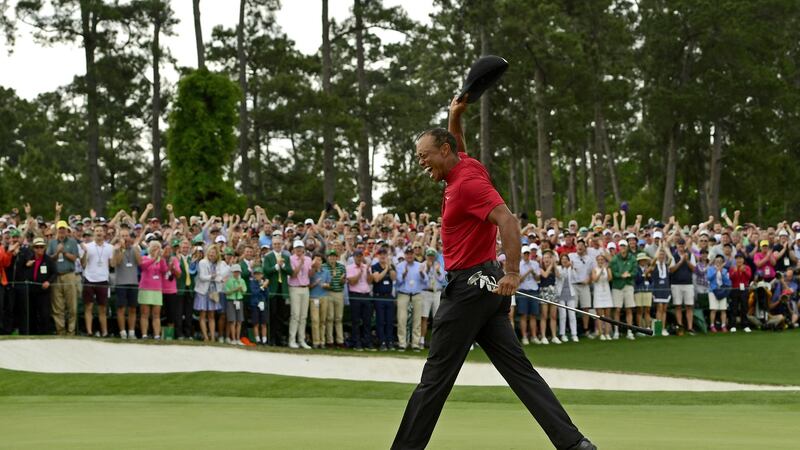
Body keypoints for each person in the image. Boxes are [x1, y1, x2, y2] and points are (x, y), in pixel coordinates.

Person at [393, 95, 592, 450]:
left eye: (425, 155)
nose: (421, 163)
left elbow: (508, 220)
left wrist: (513, 272)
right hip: (484, 287)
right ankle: (574, 444)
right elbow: (460, 146)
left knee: (435, 378)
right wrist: (455, 116)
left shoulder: (467, 184)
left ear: (443, 150)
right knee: (520, 372)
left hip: (469, 288)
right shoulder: (465, 167)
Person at [79, 225, 115, 337]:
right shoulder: (87, 246)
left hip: (103, 279)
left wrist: (118, 251)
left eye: (101, 231)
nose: (99, 232)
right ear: (94, 233)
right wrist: (85, 252)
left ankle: (104, 332)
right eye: (97, 231)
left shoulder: (109, 247)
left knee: (102, 308)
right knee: (88, 307)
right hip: (89, 278)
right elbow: (83, 264)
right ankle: (89, 331)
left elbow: (112, 264)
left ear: (104, 233)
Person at [46, 221, 80, 335]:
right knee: (57, 305)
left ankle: (71, 331)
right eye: (60, 229)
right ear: (57, 230)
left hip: (69, 275)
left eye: (63, 229)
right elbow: (49, 259)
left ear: (66, 230)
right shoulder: (52, 243)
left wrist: (64, 252)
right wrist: (57, 253)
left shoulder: (72, 242)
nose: (61, 231)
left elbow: (75, 258)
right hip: (56, 276)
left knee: (72, 305)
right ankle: (60, 331)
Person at [21, 237, 57, 334]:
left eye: (41, 247)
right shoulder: (29, 258)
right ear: (34, 248)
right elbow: (22, 271)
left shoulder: (48, 260)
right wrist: (26, 266)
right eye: (37, 247)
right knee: (31, 313)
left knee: (44, 313)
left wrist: (48, 282)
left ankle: (44, 333)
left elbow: (54, 273)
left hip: (43, 291)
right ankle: (32, 333)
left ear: (44, 248)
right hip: (31, 290)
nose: (39, 249)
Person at [395, 246, 427, 351]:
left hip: (417, 294)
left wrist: (422, 273)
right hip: (403, 293)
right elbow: (397, 283)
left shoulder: (420, 265)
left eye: (411, 253)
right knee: (402, 319)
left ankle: (415, 344)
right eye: (407, 254)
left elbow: (425, 281)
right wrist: (403, 275)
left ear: (414, 255)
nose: (409, 255)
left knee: (417, 319)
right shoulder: (400, 266)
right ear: (405, 255)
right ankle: (402, 343)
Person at [112, 229, 142, 339]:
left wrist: (135, 248)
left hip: (133, 282)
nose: (125, 238)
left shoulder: (134, 249)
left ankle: (131, 331)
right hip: (121, 283)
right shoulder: (116, 249)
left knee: (133, 308)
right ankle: (122, 332)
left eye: (127, 235)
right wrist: (121, 249)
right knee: (121, 308)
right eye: (122, 235)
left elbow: (140, 262)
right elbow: (115, 263)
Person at [263, 236, 292, 346]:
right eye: (275, 244)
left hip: (282, 288)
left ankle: (280, 339)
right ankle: (272, 338)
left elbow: (290, 271)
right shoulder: (268, 256)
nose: (277, 246)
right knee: (272, 314)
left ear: (282, 245)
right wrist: (276, 266)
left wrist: (283, 265)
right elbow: (265, 271)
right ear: (272, 245)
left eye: (279, 244)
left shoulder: (286, 256)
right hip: (273, 288)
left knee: (281, 314)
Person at [138, 240, 168, 339]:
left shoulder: (161, 260)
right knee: (144, 313)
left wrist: (162, 258)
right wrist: (154, 258)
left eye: (157, 247)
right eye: (153, 247)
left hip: (157, 289)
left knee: (156, 314)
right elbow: (143, 266)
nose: (155, 249)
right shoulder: (144, 258)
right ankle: (144, 334)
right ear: (149, 248)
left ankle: (156, 335)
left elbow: (164, 271)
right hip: (145, 289)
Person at [347, 248, 374, 351]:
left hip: (366, 295)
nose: (359, 258)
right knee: (356, 321)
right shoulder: (349, 267)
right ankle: (356, 342)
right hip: (355, 295)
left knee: (367, 320)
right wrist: (359, 273)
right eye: (357, 256)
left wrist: (367, 272)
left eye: (360, 256)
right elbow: (352, 282)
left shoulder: (366, 267)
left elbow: (370, 281)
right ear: (354, 257)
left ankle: (367, 342)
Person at [610, 240, 637, 340]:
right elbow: (613, 272)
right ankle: (616, 331)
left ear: (627, 247)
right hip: (617, 286)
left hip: (628, 285)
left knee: (629, 309)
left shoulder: (632, 258)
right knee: (617, 309)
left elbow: (635, 270)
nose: (622, 248)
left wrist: (629, 274)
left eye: (624, 246)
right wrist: (621, 275)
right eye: (621, 246)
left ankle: (629, 331)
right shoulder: (614, 259)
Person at [195, 245, 223, 342]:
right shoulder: (202, 262)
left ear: (217, 254)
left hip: (213, 291)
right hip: (203, 291)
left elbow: (219, 277)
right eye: (211, 252)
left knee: (211, 315)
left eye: (214, 253)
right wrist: (212, 276)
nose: (212, 254)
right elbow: (202, 277)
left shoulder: (218, 264)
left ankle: (212, 337)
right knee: (203, 314)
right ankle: (205, 336)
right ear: (208, 252)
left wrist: (221, 279)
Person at [371, 247, 397, 351]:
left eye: (384, 254)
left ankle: (390, 342)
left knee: (390, 321)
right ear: (377, 256)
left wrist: (389, 267)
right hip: (379, 296)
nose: (382, 256)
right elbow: (377, 279)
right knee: (380, 321)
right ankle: (382, 342)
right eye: (380, 254)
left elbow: (394, 278)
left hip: (389, 296)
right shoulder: (375, 266)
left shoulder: (391, 266)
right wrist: (385, 269)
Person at [568, 239, 595, 338]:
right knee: (573, 308)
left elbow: (592, 272)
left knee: (586, 308)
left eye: (581, 245)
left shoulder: (589, 259)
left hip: (585, 286)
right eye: (578, 245)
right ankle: (573, 331)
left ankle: (586, 329)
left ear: (584, 247)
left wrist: (589, 280)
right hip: (574, 285)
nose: (579, 247)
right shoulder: (571, 256)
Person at [670, 238, 696, 335]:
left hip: (688, 284)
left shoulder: (690, 255)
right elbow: (671, 270)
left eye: (682, 245)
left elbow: (694, 269)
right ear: (676, 246)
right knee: (678, 306)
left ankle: (690, 327)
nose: (681, 247)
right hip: (676, 284)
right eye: (679, 245)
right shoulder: (673, 256)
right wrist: (681, 261)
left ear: (685, 246)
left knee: (689, 306)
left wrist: (687, 261)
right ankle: (680, 327)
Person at [420, 248, 445, 348]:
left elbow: (442, 279)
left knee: (437, 317)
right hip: (426, 292)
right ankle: (422, 340)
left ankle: (436, 340)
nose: (430, 257)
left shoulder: (438, 265)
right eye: (429, 255)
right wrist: (427, 269)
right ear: (426, 256)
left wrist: (438, 271)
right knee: (424, 317)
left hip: (437, 292)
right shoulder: (422, 265)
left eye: (432, 256)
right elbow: (422, 279)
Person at [322, 248, 346, 348]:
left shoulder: (341, 267)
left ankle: (340, 340)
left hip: (339, 293)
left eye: (334, 256)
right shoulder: (324, 267)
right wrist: (331, 277)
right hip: (328, 293)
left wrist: (342, 280)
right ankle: (330, 340)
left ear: (337, 257)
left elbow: (343, 282)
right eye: (330, 256)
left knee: (339, 318)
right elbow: (324, 281)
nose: (332, 258)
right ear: (327, 258)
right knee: (330, 317)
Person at [517, 245, 541, 344]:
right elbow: (519, 280)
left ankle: (534, 336)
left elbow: (538, 279)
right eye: (525, 254)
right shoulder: (518, 264)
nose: (526, 255)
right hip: (523, 291)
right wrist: (528, 272)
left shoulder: (535, 264)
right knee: (523, 315)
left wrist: (534, 273)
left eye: (528, 253)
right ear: (522, 255)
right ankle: (524, 337)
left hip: (533, 290)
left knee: (533, 315)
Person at [161, 239, 182, 339]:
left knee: (171, 314)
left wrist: (172, 268)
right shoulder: (159, 259)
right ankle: (158, 334)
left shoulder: (174, 259)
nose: (167, 251)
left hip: (171, 291)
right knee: (159, 314)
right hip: (159, 290)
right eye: (165, 249)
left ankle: (169, 335)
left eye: (169, 249)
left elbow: (178, 275)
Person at [555, 252, 578, 342]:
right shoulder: (559, 268)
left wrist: (571, 268)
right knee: (563, 315)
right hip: (560, 294)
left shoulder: (570, 268)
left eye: (566, 259)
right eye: (563, 259)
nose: (564, 261)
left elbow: (575, 277)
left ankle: (574, 334)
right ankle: (563, 334)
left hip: (570, 293)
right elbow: (561, 277)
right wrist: (566, 267)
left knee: (572, 314)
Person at [538, 249, 560, 344]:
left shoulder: (554, 268)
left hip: (553, 291)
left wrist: (554, 265)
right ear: (542, 260)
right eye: (545, 258)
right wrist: (552, 264)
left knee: (553, 316)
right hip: (544, 291)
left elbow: (559, 275)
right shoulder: (540, 268)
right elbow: (545, 275)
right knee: (544, 315)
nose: (546, 259)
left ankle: (554, 336)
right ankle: (543, 336)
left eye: (548, 257)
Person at [308, 253, 330, 349]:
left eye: (320, 260)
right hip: (313, 297)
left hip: (324, 297)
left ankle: (322, 341)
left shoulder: (326, 272)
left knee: (323, 320)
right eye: (316, 260)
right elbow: (307, 286)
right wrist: (315, 284)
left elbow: (329, 285)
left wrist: (326, 285)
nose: (318, 262)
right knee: (315, 320)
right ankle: (316, 342)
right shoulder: (310, 272)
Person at [728, 252, 752, 333]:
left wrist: (744, 271)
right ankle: (733, 325)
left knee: (744, 308)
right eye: (737, 258)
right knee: (734, 308)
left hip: (744, 289)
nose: (739, 260)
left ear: (743, 260)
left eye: (741, 258)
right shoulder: (732, 268)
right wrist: (735, 271)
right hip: (734, 289)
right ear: (735, 260)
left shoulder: (747, 267)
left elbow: (749, 276)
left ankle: (745, 325)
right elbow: (731, 278)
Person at [591, 253, 613, 340]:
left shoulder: (607, 269)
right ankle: (601, 333)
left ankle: (607, 333)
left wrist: (606, 269)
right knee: (599, 315)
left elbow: (610, 279)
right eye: (599, 260)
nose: (600, 261)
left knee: (607, 315)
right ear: (597, 261)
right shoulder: (594, 269)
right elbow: (595, 279)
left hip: (606, 292)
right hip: (598, 293)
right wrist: (601, 271)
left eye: (602, 260)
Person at [706, 254, 731, 332]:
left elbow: (728, 282)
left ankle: (723, 325)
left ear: (723, 262)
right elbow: (709, 278)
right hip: (713, 291)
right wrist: (716, 271)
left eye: (720, 261)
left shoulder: (725, 270)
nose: (718, 263)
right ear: (714, 262)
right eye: (717, 261)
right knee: (714, 309)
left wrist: (721, 272)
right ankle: (712, 325)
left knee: (723, 309)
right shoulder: (710, 269)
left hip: (722, 290)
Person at [224, 264, 247, 345]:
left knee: (239, 321)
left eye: (238, 272)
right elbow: (226, 292)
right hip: (231, 301)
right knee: (232, 321)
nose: (236, 273)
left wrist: (240, 290)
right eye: (235, 272)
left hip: (239, 301)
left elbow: (244, 292)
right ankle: (233, 339)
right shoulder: (228, 281)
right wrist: (235, 290)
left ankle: (238, 339)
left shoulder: (242, 281)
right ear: (232, 272)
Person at [651, 247, 671, 336]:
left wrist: (665, 247)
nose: (661, 256)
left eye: (663, 255)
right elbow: (653, 260)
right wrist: (659, 247)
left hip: (665, 289)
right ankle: (658, 328)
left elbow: (670, 258)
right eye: (660, 254)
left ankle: (663, 328)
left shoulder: (666, 265)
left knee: (664, 309)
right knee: (659, 308)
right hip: (658, 289)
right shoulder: (655, 264)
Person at [633, 252, 653, 332]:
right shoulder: (636, 269)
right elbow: (637, 280)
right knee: (640, 310)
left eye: (644, 260)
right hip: (639, 290)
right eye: (642, 260)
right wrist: (645, 274)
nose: (643, 262)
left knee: (647, 309)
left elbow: (651, 281)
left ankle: (648, 327)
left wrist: (648, 275)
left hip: (647, 290)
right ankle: (640, 328)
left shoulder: (647, 268)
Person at [249, 266, 269, 345]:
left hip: (263, 304)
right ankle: (257, 340)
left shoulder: (263, 283)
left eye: (259, 274)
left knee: (264, 323)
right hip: (254, 304)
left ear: (262, 275)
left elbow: (267, 295)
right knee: (256, 323)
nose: (257, 275)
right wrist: (263, 286)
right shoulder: (252, 282)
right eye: (256, 274)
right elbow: (254, 292)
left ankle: (264, 340)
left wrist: (265, 287)